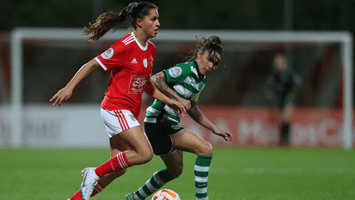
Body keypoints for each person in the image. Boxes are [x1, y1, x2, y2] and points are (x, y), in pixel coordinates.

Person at [49, 2, 186, 200]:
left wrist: (168, 100)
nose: (158, 24)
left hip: (128, 111)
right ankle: (93, 173)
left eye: (158, 19)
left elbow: (145, 84)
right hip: (116, 108)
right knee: (145, 153)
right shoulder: (125, 46)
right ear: (139, 22)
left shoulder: (151, 50)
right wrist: (70, 87)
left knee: (117, 169)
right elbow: (92, 64)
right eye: (153, 19)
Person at [125, 36, 233, 200]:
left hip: (166, 125)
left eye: (215, 63)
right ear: (199, 54)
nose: (211, 65)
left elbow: (193, 108)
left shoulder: (200, 80)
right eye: (209, 60)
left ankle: (135, 198)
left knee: (175, 171)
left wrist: (214, 128)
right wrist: (177, 97)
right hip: (159, 123)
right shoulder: (185, 70)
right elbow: (154, 80)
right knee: (205, 149)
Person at [266, 53, 303, 146]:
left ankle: (286, 140)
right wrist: (270, 96)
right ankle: (283, 140)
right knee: (282, 120)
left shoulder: (290, 74)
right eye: (275, 62)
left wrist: (291, 99)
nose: (276, 64)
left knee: (285, 118)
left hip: (289, 98)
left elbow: (298, 85)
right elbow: (269, 88)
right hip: (280, 99)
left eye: (277, 62)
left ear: (283, 62)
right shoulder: (274, 74)